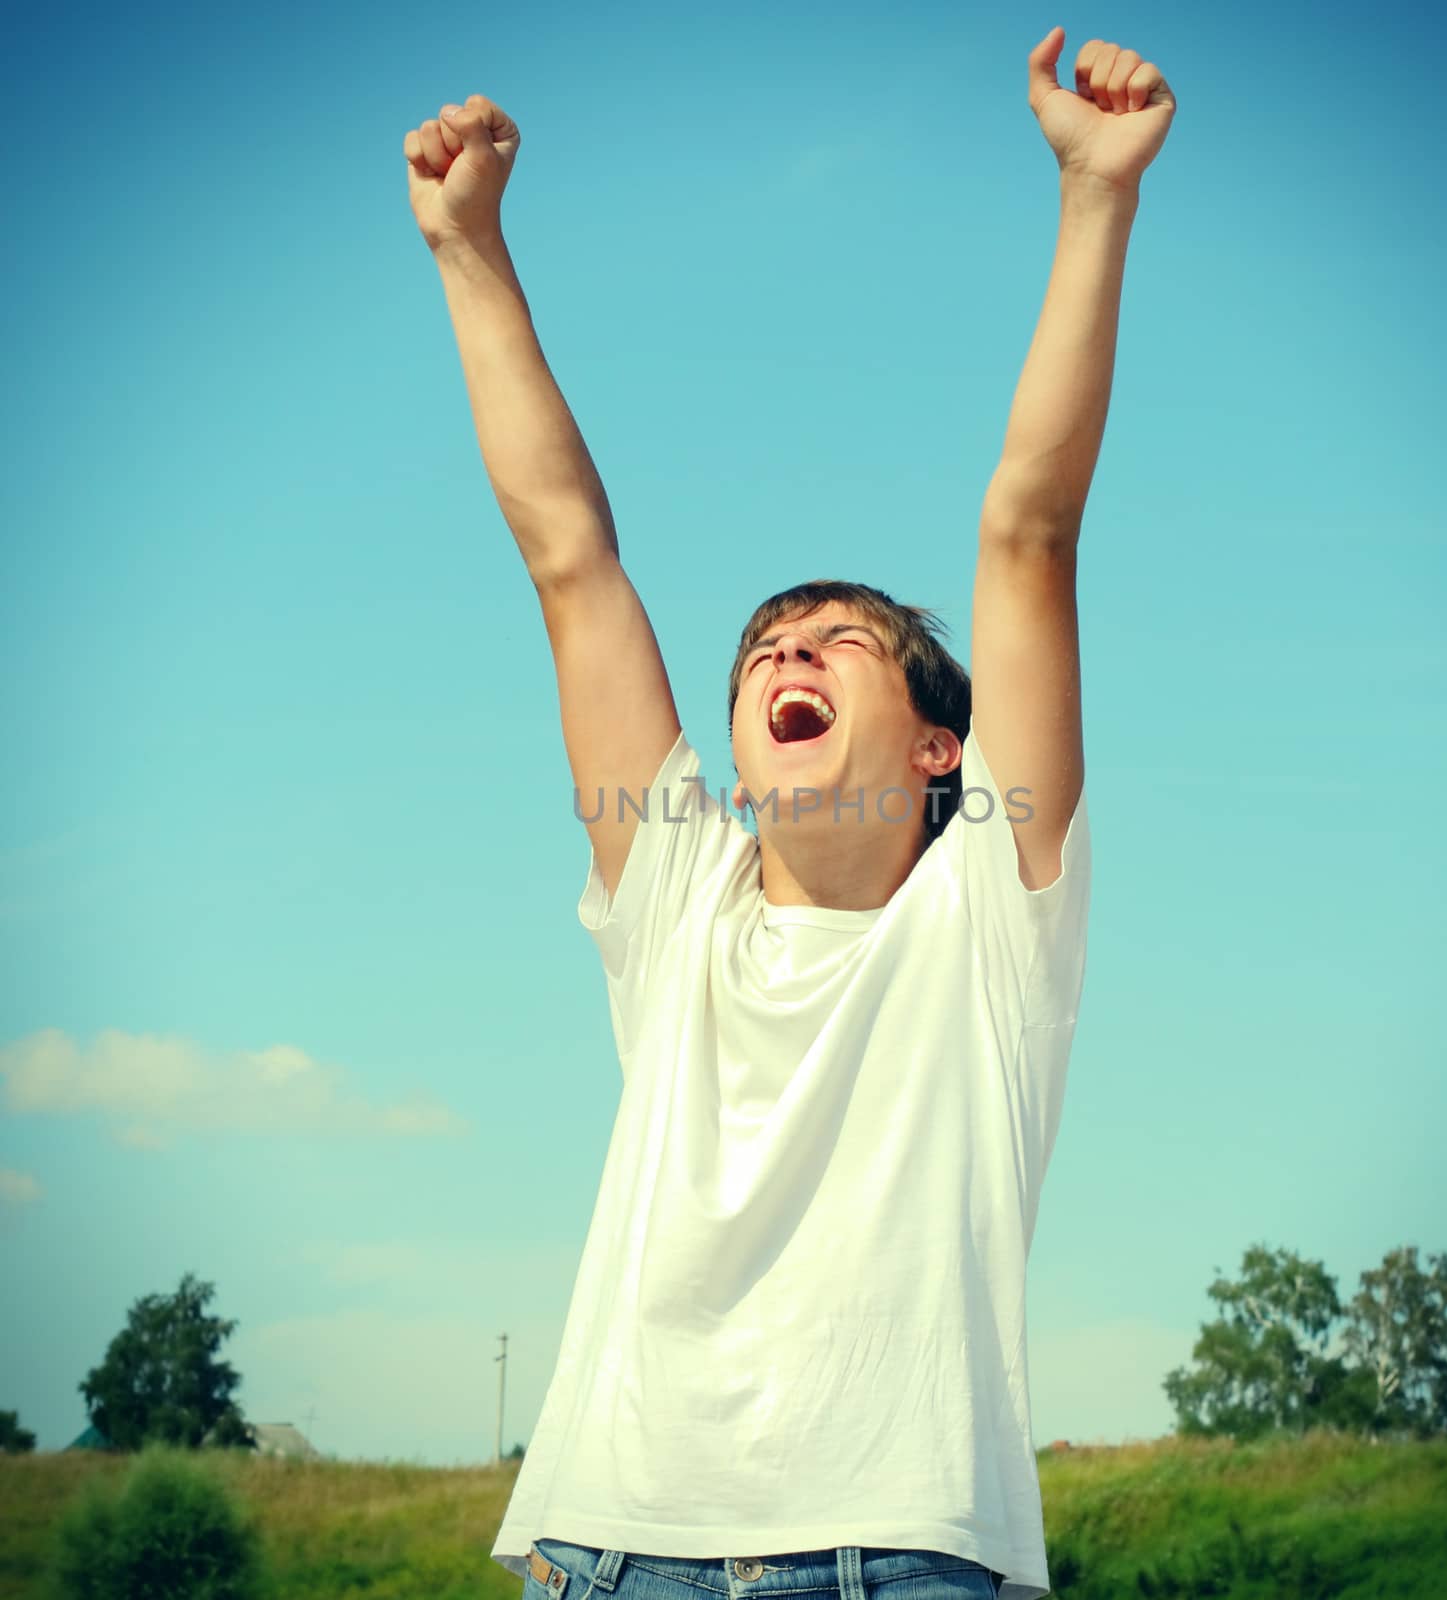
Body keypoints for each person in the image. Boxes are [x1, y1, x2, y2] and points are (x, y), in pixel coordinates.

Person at [403, 24, 1175, 1600]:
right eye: (764, 649)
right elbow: (569, 556)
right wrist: (469, 250)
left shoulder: (990, 920)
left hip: (905, 1557)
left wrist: (1097, 197)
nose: (784, 655)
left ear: (945, 749)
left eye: (838, 643)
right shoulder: (679, 893)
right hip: (611, 1551)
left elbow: (1028, 529)